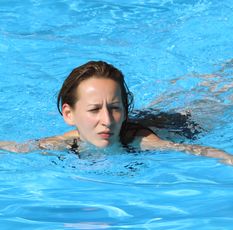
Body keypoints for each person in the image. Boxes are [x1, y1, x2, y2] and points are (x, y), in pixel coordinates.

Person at [0, 60, 233, 164]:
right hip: (149, 117)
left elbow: (189, 149)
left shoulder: (139, 140)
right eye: (93, 110)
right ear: (69, 114)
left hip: (185, 124)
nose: (107, 121)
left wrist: (227, 158)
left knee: (218, 96)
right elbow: (18, 147)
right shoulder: (65, 143)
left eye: (115, 108)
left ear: (124, 109)